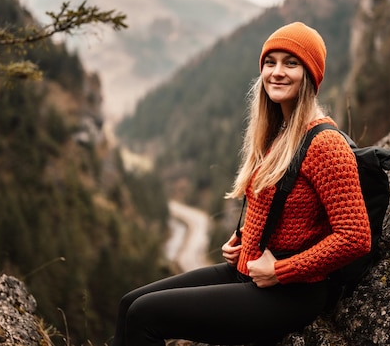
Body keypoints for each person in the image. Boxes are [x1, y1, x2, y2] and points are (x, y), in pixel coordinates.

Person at [113, 21, 371, 346]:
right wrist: (242, 240)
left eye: (291, 63)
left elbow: (356, 237)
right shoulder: (279, 133)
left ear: (311, 75)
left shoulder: (324, 144)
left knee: (145, 315)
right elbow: (280, 206)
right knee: (128, 305)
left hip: (292, 292)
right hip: (248, 272)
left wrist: (282, 271)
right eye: (270, 62)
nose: (276, 72)